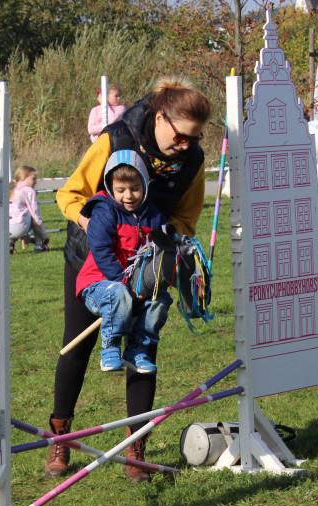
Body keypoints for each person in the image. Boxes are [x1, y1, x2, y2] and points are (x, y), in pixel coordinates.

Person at [50, 76, 210, 483]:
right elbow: (70, 193)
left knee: (143, 344)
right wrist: (95, 225)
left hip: (147, 260)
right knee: (79, 345)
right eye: (181, 136)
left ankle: (135, 446)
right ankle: (60, 437)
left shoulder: (192, 161)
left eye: (194, 138)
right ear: (160, 118)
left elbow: (186, 219)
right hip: (93, 259)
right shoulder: (116, 136)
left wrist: (158, 249)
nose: (186, 145)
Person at [77, 150, 170, 375]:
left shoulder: (154, 216)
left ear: (145, 186)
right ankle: (110, 347)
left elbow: (162, 250)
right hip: (98, 284)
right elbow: (101, 250)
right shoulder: (104, 211)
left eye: (135, 188)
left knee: (161, 299)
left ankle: (137, 348)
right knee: (118, 292)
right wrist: (125, 283)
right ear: (110, 188)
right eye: (120, 190)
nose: (128, 195)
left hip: (133, 287)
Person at [8, 165, 49, 253]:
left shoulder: (10, 186)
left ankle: (10, 244)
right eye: (34, 179)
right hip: (19, 228)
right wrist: (45, 236)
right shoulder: (28, 190)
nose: (36, 182)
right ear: (24, 178)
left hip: (4, 229)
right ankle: (39, 245)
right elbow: (36, 217)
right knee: (35, 217)